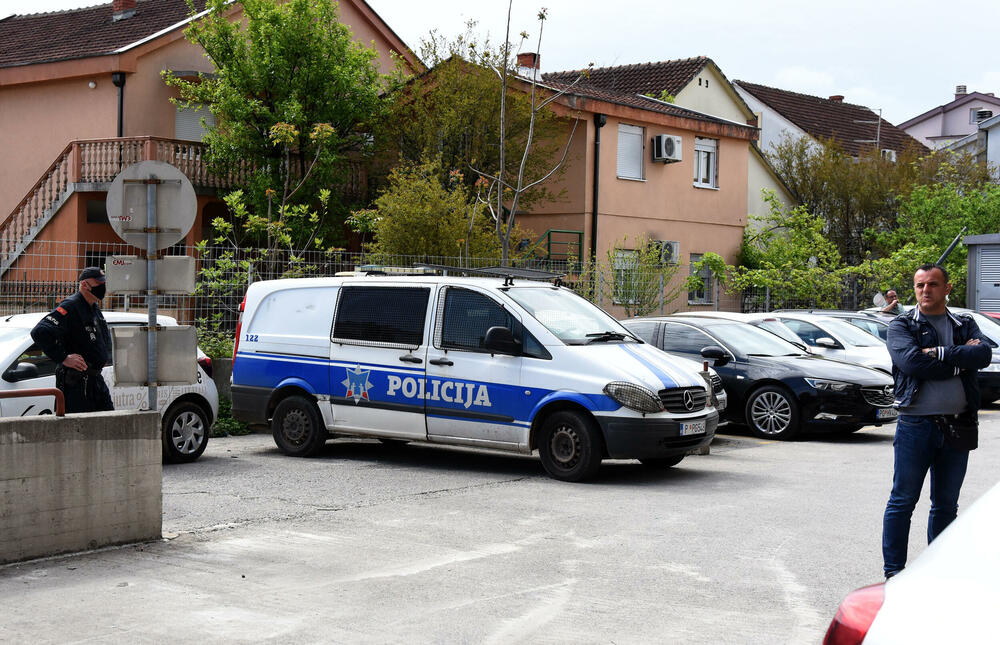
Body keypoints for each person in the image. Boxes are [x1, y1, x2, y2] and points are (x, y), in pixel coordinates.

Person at [881, 263, 991, 579]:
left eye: (932, 284)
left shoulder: (963, 322)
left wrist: (939, 353)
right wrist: (959, 361)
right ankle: (894, 575)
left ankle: (936, 575)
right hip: (916, 426)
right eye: (920, 286)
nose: (925, 291)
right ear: (914, 290)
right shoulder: (902, 326)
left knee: (946, 505)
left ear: (947, 288)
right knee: (902, 501)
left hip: (958, 425)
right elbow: (912, 363)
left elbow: (982, 356)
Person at [30, 267, 114, 413]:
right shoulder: (70, 306)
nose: (102, 287)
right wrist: (63, 358)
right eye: (98, 283)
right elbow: (40, 332)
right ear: (84, 285)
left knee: (109, 425)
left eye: (104, 283)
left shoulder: (93, 307)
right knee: (79, 430)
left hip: (95, 381)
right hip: (77, 383)